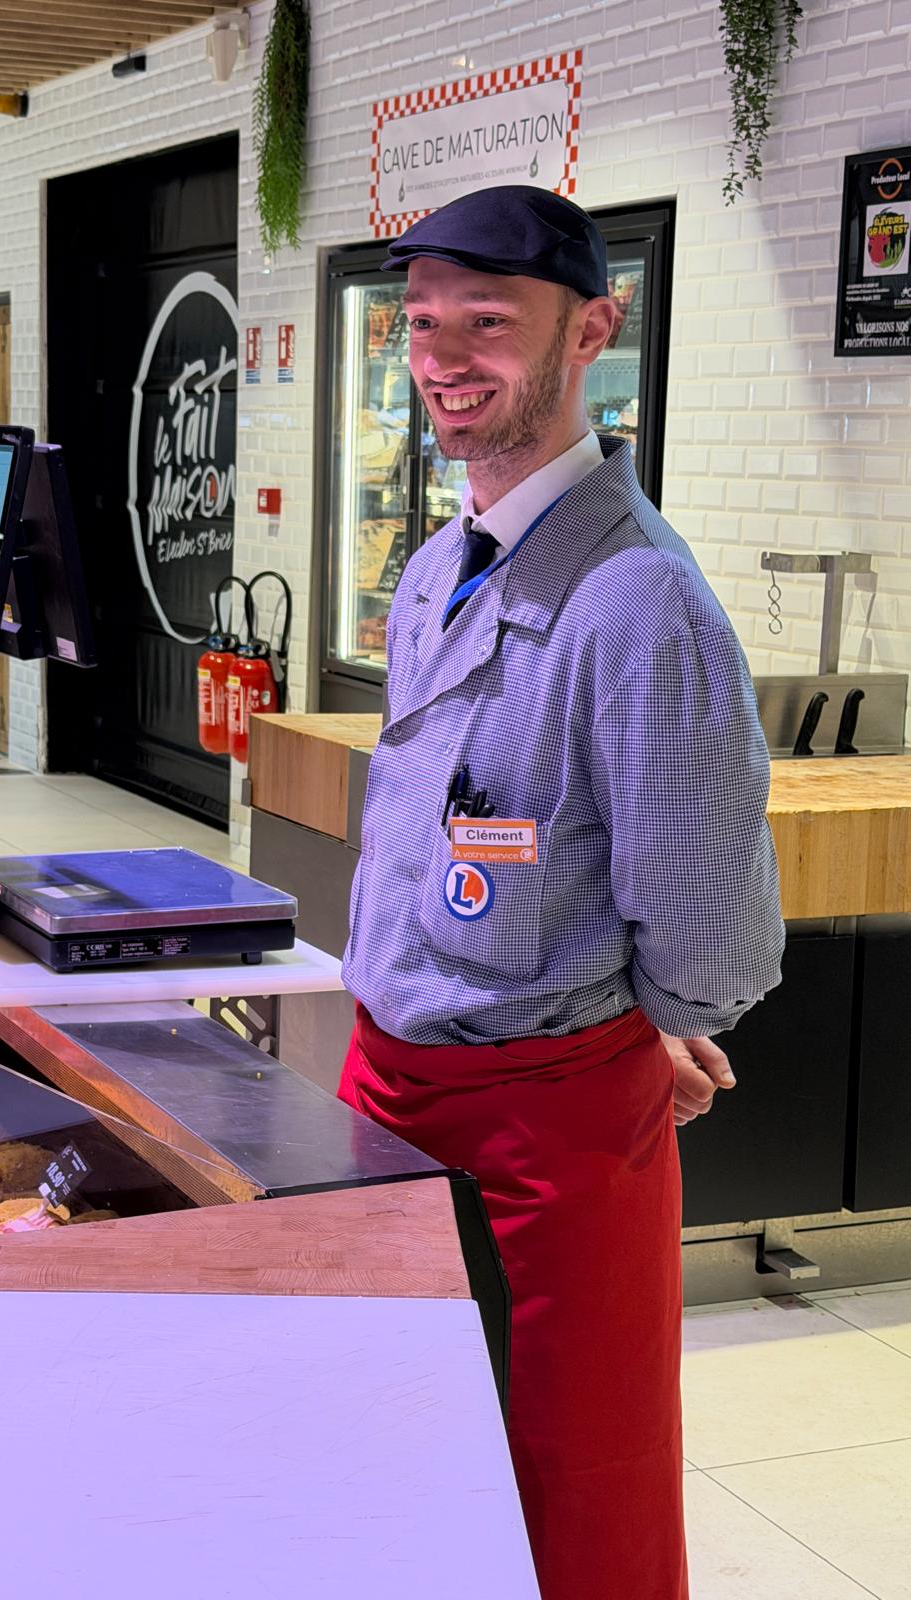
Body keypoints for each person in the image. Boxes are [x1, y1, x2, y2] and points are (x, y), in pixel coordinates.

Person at [339, 186, 785, 1600]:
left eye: (489, 320)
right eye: (421, 323)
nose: (444, 354)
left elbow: (712, 935)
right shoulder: (431, 570)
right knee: (394, 1473)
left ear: (593, 329)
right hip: (383, 1095)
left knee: (569, 1503)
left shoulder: (640, 603)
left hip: (549, 1142)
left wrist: (648, 1023)